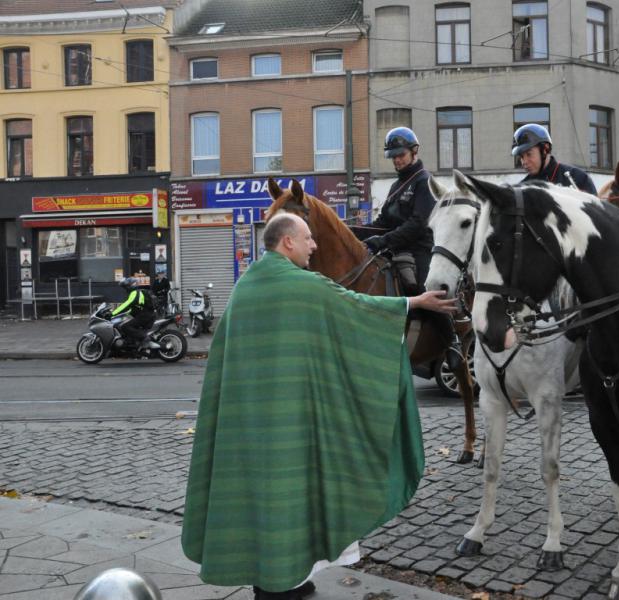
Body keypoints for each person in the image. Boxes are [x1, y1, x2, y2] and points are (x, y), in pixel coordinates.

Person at [182, 213, 457, 600]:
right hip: (293, 426)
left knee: (263, 498)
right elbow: (359, 308)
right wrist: (414, 302)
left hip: (249, 426)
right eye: (308, 238)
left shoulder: (246, 285)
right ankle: (285, 585)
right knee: (295, 495)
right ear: (287, 242)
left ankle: (279, 578)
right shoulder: (303, 286)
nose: (315, 245)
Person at [364, 126, 463, 369]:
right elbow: (383, 222)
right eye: (394, 156)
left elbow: (418, 224)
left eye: (401, 155)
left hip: (420, 250)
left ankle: (452, 342)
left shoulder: (423, 182)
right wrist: (358, 234)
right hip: (396, 250)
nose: (397, 160)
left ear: (414, 152)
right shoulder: (397, 186)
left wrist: (382, 241)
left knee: (425, 288)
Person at [512, 123, 597, 194]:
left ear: (545, 149)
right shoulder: (522, 189)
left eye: (529, 154)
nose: (524, 162)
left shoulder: (578, 178)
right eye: (521, 157)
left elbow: (596, 212)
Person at [111, 277, 156, 348]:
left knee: (125, 326)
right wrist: (122, 314)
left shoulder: (135, 293)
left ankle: (144, 337)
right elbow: (132, 308)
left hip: (145, 315)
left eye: (126, 287)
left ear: (130, 286)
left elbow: (126, 305)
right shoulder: (137, 292)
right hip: (145, 314)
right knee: (127, 322)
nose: (125, 289)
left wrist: (112, 313)